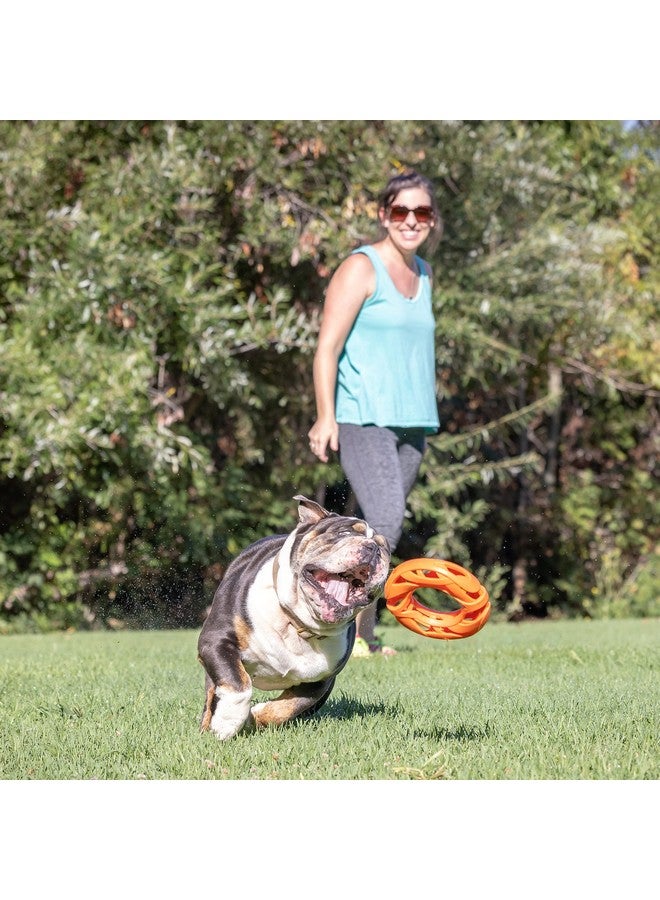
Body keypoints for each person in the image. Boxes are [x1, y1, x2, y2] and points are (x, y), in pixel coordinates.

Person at [308, 170, 442, 656]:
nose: (411, 220)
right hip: (364, 417)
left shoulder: (424, 273)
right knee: (385, 521)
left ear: (431, 220)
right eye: (401, 211)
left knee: (369, 524)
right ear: (385, 215)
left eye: (421, 212)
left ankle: (356, 635)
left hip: (413, 423)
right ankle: (337, 627)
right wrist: (326, 416)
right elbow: (326, 348)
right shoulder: (361, 268)